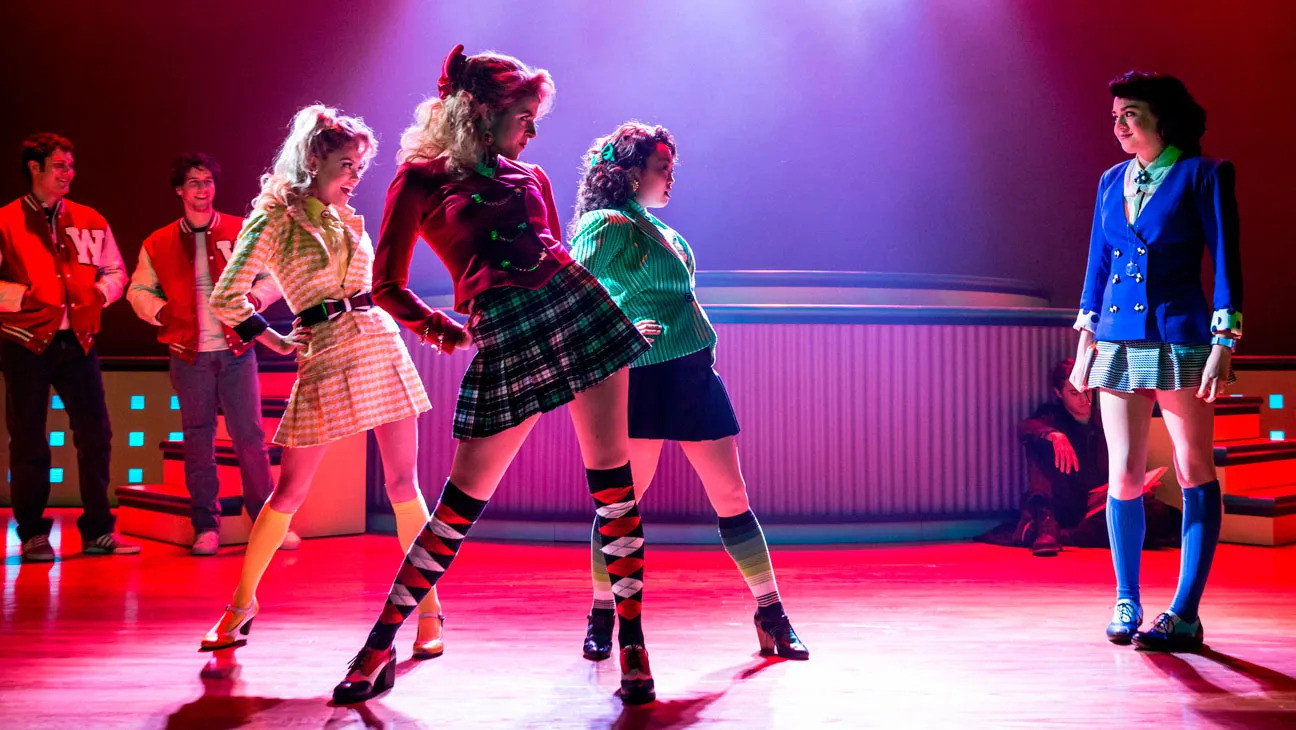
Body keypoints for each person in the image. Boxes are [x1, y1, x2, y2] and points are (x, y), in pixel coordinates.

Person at [332, 45, 654, 706]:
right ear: (481, 110)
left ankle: (633, 644)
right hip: (503, 334)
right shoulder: (420, 180)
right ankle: (378, 645)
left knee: (614, 490)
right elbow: (384, 285)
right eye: (523, 117)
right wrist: (442, 329)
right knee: (457, 507)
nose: (532, 132)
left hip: (577, 311)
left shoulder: (531, 177)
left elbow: (555, 250)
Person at [198, 105, 447, 661]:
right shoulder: (273, 219)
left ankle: (429, 610)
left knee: (404, 485)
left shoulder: (347, 218)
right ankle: (240, 605)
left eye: (360, 166)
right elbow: (225, 297)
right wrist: (273, 338)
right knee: (289, 492)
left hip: (378, 343)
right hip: (325, 352)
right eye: (346, 164)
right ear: (313, 159)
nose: (355, 176)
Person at [568, 121, 808, 661]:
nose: (671, 178)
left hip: (692, 373)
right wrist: (620, 332)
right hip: (640, 377)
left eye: (672, 168)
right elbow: (574, 290)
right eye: (663, 168)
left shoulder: (664, 233)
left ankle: (772, 614)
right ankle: (602, 614)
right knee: (620, 505)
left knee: (733, 496)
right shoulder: (604, 223)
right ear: (632, 173)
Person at [1070, 71, 1241, 651]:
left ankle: (1185, 613)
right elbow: (1098, 263)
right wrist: (1085, 343)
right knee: (1123, 472)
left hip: (1181, 337)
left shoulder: (1204, 174)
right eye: (1115, 116)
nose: (1119, 125)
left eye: (1131, 114)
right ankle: (1127, 599)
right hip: (1117, 339)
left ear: (1162, 118)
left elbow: (1227, 261)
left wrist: (1224, 341)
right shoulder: (1110, 180)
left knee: (1193, 467)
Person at [128, 153, 286, 556]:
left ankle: (265, 524)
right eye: (194, 183)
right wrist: (163, 312)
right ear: (180, 191)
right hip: (188, 354)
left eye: (208, 182)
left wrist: (255, 299)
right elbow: (138, 290)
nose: (202, 190)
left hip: (237, 351)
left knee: (250, 438)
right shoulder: (158, 242)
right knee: (198, 440)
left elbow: (271, 275)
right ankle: (205, 525)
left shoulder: (242, 229)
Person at [0, 133, 139, 561]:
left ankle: (98, 530)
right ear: (35, 168)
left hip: (78, 341)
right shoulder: (6, 221)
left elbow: (115, 270)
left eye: (70, 166)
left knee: (96, 434)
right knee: (29, 440)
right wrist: (25, 297)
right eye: (59, 166)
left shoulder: (90, 219)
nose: (68, 174)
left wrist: (100, 292)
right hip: (26, 342)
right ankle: (32, 532)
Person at [978, 359, 1180, 555]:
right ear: (1059, 393)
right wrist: (1053, 435)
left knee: (1161, 514)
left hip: (1100, 504)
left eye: (1088, 391)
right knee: (1040, 444)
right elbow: (1026, 427)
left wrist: (1140, 485)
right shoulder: (1052, 417)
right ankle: (1049, 527)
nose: (1085, 399)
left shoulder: (1103, 419)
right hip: (1065, 503)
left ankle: (1067, 536)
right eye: (1074, 393)